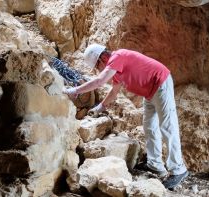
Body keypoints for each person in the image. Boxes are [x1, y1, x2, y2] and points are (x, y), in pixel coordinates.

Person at [63, 43, 189, 189]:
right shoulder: (116, 69)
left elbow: (99, 81)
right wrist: (99, 107)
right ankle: (155, 165)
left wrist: (76, 90)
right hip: (149, 92)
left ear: (102, 58)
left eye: (97, 66)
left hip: (160, 83)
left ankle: (178, 170)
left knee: (167, 127)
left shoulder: (118, 56)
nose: (98, 70)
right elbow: (114, 92)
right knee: (149, 127)